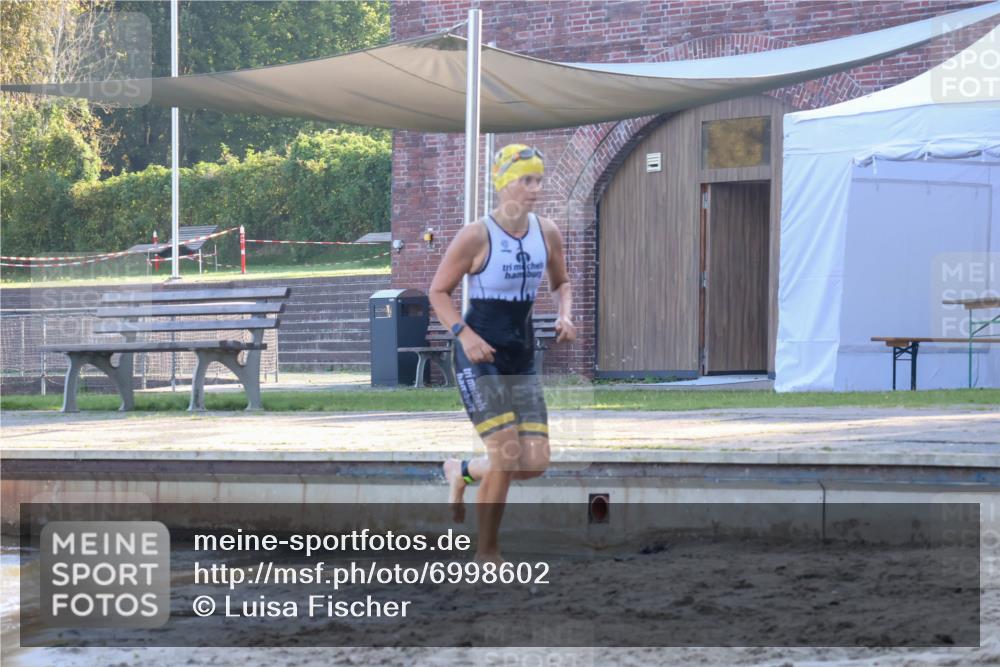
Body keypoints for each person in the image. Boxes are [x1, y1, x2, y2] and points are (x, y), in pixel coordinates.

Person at [428, 143, 575, 564]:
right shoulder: (477, 235)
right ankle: (486, 553)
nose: (535, 189)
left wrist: (565, 315)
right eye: (526, 180)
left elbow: (561, 282)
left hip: (521, 358)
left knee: (535, 462)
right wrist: (463, 334)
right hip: (481, 358)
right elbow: (439, 291)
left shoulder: (546, 231)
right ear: (503, 182)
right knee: (507, 453)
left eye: (539, 180)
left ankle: (463, 472)